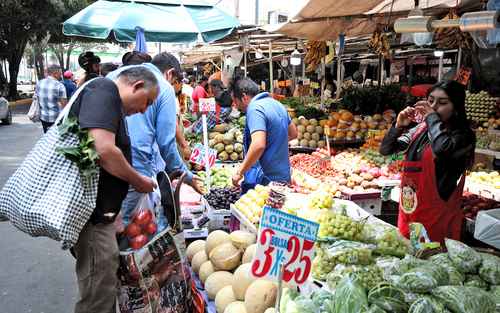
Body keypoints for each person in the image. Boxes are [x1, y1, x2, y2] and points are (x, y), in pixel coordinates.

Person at [70, 67, 159, 313]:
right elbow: (103, 150)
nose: (144, 110)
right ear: (137, 85)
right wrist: (137, 181)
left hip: (101, 215)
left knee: (103, 285)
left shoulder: (111, 102)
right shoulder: (104, 90)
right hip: (92, 218)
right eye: (147, 102)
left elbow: (99, 164)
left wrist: (115, 210)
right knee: (97, 294)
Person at [107, 52, 203, 229]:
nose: (143, 110)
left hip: (107, 167)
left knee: (110, 222)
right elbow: (166, 143)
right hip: (136, 168)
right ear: (170, 73)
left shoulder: (114, 76)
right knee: (132, 227)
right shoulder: (163, 88)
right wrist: (186, 175)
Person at [380, 80, 476, 243]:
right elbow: (387, 149)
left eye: (442, 103)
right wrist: (398, 126)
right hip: (411, 212)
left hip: (437, 217)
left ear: (456, 106)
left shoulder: (463, 135)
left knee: (432, 261)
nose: (434, 106)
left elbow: (442, 149)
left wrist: (431, 117)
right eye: (430, 101)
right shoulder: (420, 129)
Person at [229, 77, 298, 193]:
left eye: (235, 101)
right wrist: (274, 144)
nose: (235, 105)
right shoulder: (277, 105)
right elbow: (293, 133)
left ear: (244, 97)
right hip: (283, 176)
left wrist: (239, 172)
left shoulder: (255, 109)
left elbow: (258, 144)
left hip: (264, 180)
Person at [35, 64, 67, 133]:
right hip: (56, 118)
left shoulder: (39, 83)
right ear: (55, 73)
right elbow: (64, 105)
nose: (61, 75)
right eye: (60, 73)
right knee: (56, 139)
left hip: (43, 117)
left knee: (47, 137)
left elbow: (36, 98)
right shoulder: (60, 86)